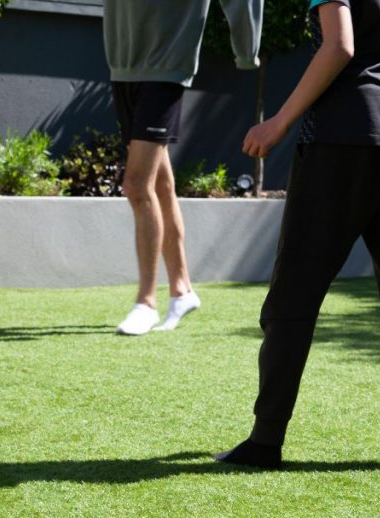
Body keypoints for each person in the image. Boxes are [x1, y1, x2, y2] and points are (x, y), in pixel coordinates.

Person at [216, 0, 380, 470]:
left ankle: (265, 442)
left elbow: (340, 44)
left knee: (294, 294)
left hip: (342, 137)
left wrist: (278, 122)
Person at [103, 0, 264, 335]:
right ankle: (182, 290)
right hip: (123, 62)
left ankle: (145, 302)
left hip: (167, 64)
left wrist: (247, 50)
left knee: (136, 185)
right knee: (160, 185)